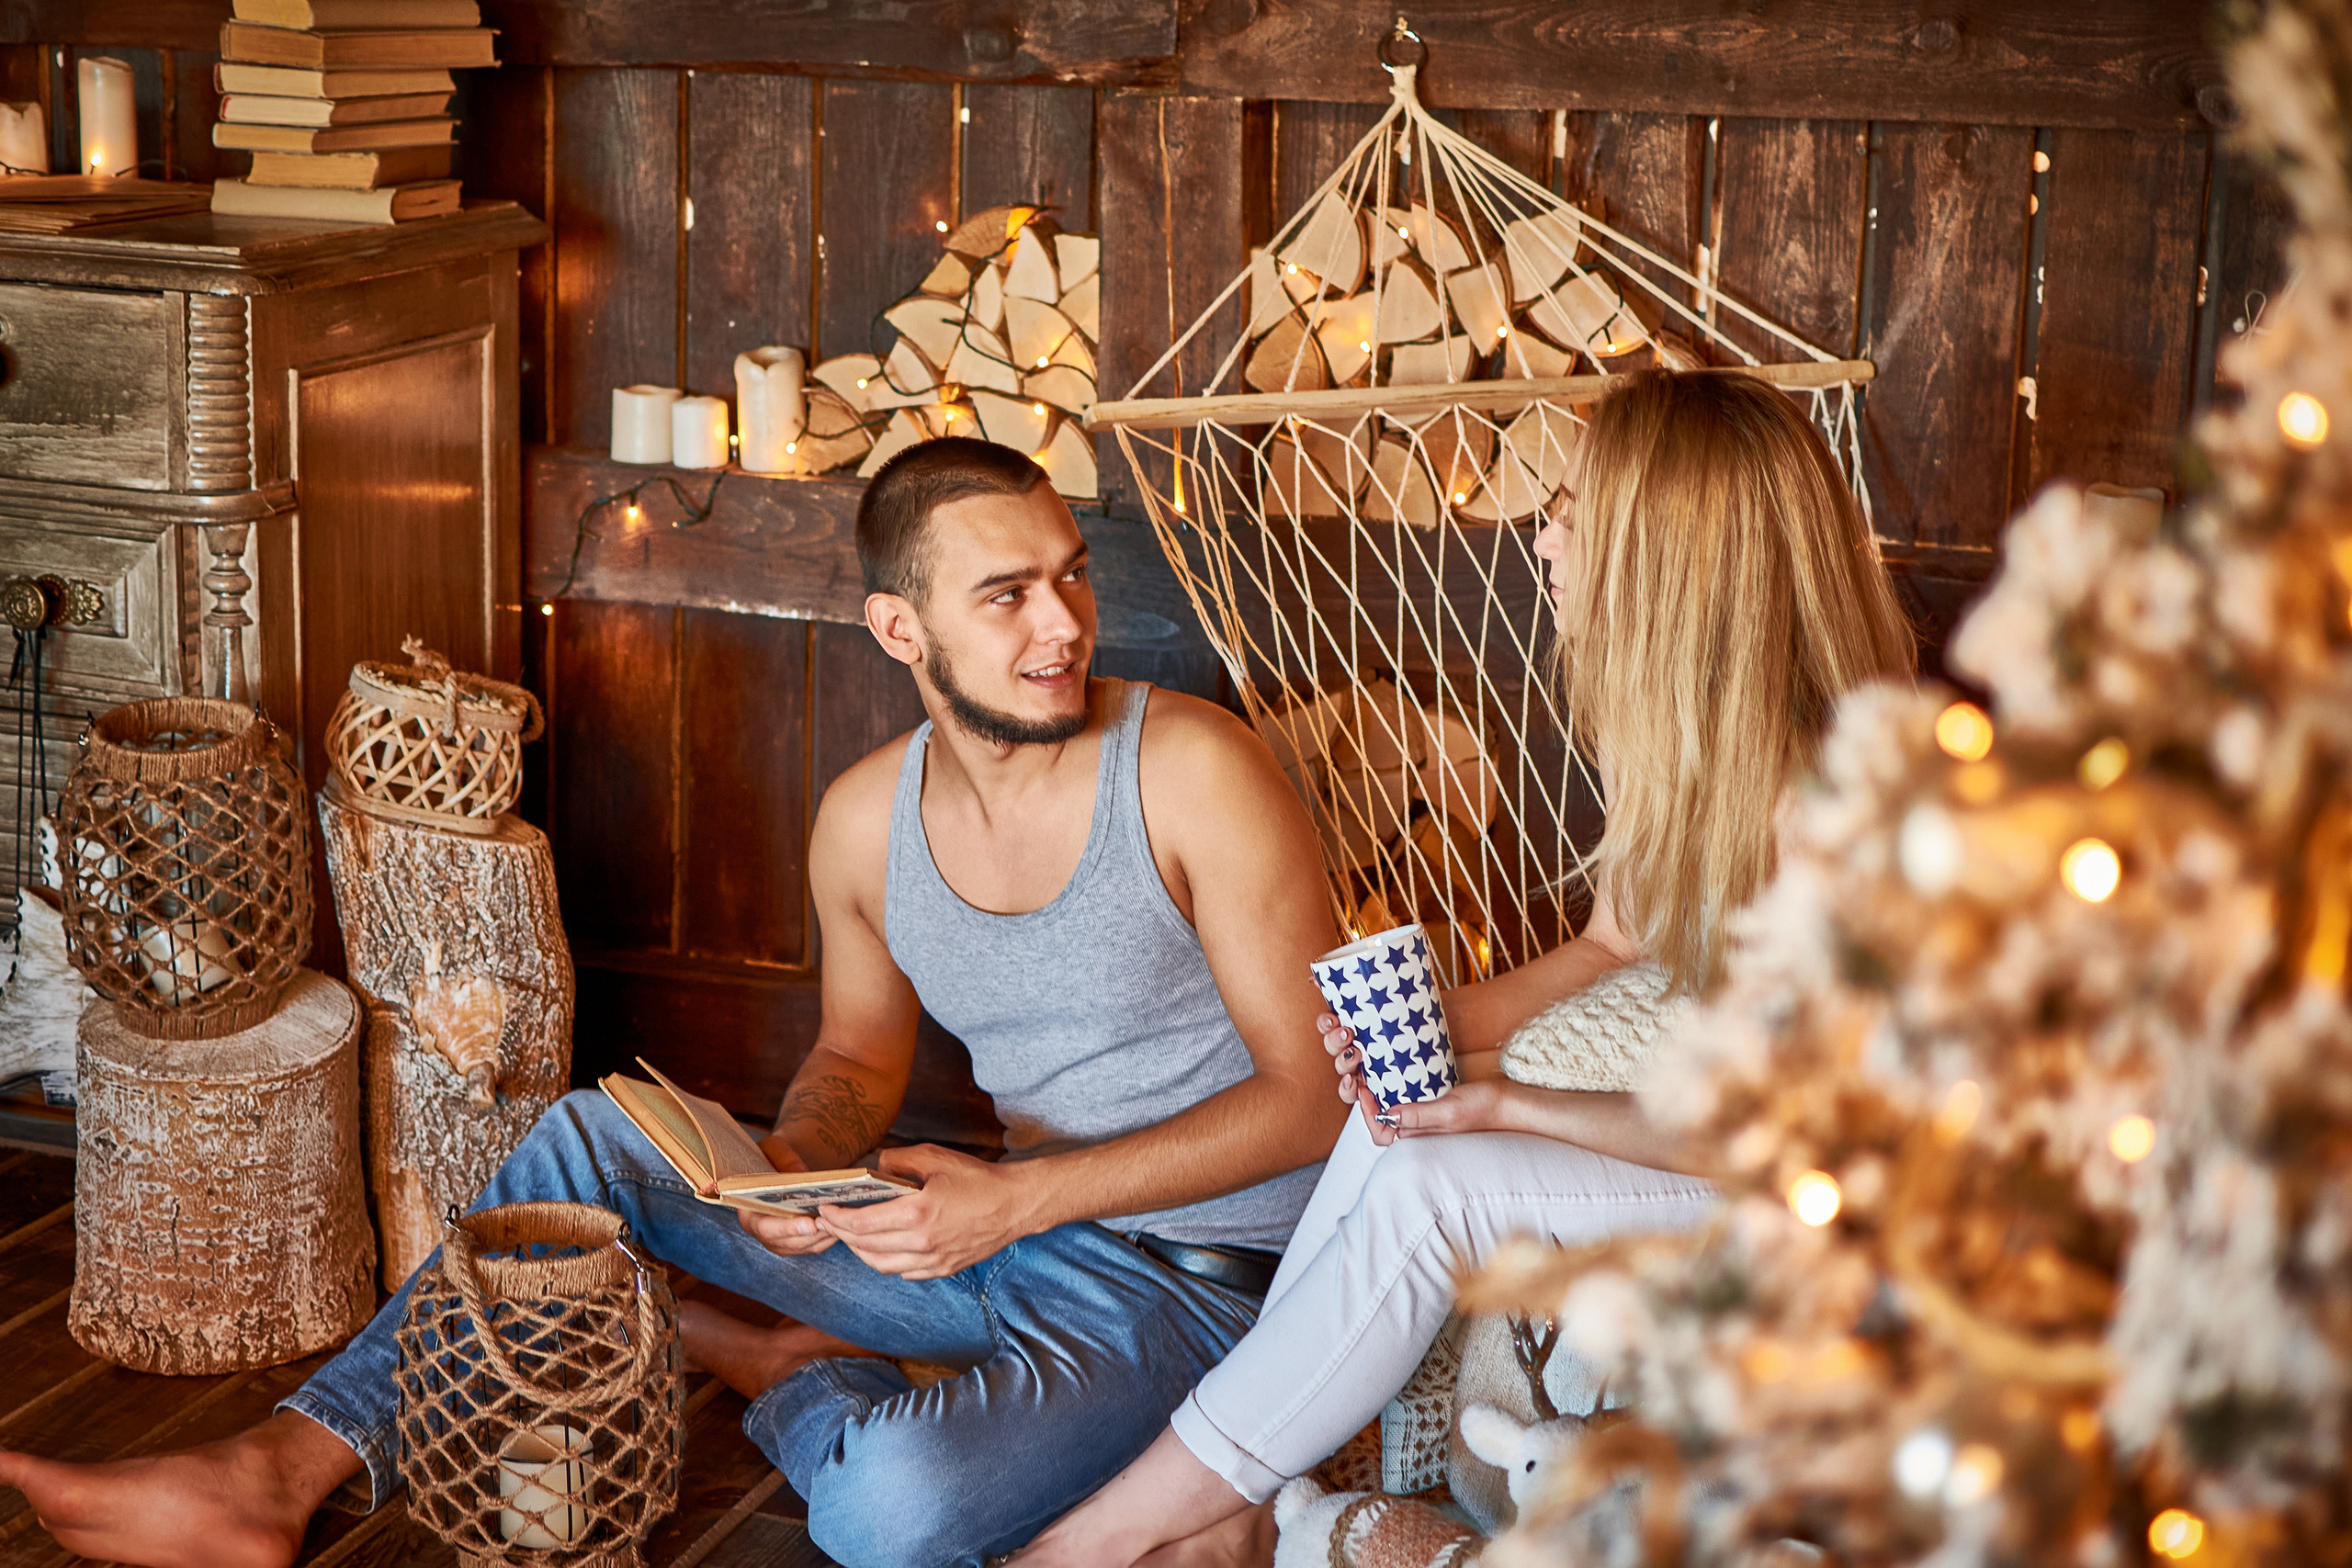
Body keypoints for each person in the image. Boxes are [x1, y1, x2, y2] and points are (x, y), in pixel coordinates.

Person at [0, 437, 1350, 1568]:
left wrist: (1018, 1201)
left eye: (1070, 577)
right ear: (901, 627)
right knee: (595, 1136)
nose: (1062, 623)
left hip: (1199, 1283)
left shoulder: (1190, 771)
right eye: (1006, 595)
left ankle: (785, 1372)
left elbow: (1310, 1101)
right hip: (984, 1238)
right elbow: (855, 1056)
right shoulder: (864, 821)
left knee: (890, 1513)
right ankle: (280, 1469)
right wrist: (805, 1174)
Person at [1012, 369, 1917, 1567]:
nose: (1541, 535)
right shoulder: (1692, 751)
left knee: (1442, 1178)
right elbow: (1611, 949)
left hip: (1846, 1210)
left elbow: (1788, 1141)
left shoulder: (1839, 803)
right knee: (1391, 1121)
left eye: (1572, 513)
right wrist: (1431, 1040)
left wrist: (1498, 1099)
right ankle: (1225, 1509)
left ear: (1664, 556)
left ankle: (1090, 1547)